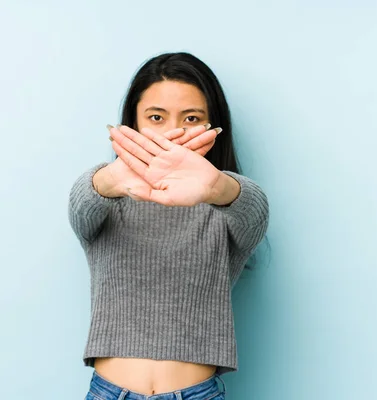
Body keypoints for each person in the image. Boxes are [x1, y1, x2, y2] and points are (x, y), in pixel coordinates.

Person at [68, 52, 269, 400]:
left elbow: (254, 210)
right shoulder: (108, 198)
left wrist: (216, 186)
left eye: (191, 117)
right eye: (156, 117)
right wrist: (112, 177)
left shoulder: (226, 204)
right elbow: (81, 204)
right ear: (132, 123)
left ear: (213, 126)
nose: (173, 133)